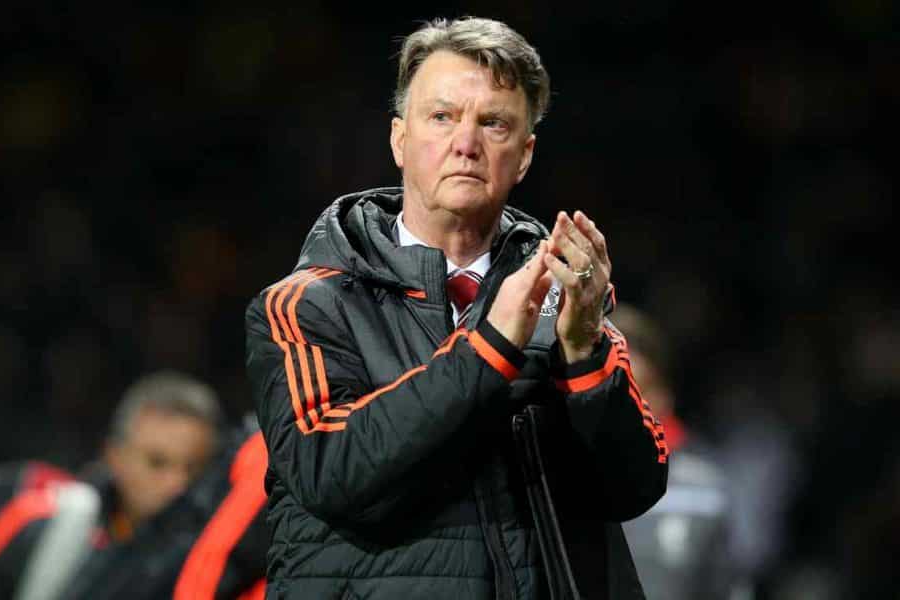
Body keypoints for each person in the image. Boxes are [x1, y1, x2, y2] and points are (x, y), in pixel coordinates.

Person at [246, 16, 668, 600]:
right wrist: (489, 349)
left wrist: (583, 351)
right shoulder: (307, 304)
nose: (466, 144)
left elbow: (633, 488)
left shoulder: (564, 300)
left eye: (493, 123)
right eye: (442, 116)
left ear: (524, 156)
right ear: (399, 140)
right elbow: (329, 469)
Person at [0, 370, 269, 600]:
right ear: (114, 456)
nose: (177, 483)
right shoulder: (35, 519)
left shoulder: (211, 558)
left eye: (193, 468)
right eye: (156, 462)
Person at [612, 303, 740, 599]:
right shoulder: (547, 482)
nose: (616, 407)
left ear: (662, 398)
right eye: (604, 389)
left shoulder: (705, 491)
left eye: (632, 391)